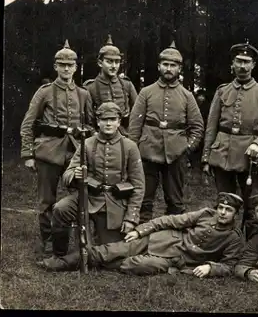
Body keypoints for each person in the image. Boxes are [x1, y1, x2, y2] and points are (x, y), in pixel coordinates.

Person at [37, 192, 245, 278]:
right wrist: (140, 230)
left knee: (136, 265)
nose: (223, 213)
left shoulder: (234, 238)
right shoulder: (205, 214)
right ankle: (63, 263)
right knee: (111, 250)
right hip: (161, 239)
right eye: (221, 208)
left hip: (174, 260)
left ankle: (96, 263)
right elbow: (169, 220)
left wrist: (211, 267)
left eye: (228, 210)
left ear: (235, 214)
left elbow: (230, 264)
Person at [19, 39, 93, 258]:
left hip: (75, 153)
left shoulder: (83, 94)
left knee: (79, 196)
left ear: (76, 67)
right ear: (56, 67)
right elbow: (28, 123)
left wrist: (82, 134)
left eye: (70, 65)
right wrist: (28, 154)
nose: (66, 69)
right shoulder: (44, 92)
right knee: (46, 200)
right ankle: (49, 241)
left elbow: (90, 124)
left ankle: (76, 239)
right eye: (62, 65)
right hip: (49, 152)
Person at [44, 102, 145, 260]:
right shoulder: (88, 143)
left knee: (108, 253)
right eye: (104, 119)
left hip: (115, 203)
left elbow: (139, 186)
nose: (108, 123)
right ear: (98, 122)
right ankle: (59, 254)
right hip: (88, 197)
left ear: (119, 122)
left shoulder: (130, 147)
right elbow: (68, 173)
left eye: (112, 119)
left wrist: (131, 218)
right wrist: (74, 174)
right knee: (60, 209)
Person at [201, 40, 258, 238]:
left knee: (253, 203)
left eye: (247, 62)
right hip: (222, 153)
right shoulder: (222, 91)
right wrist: (206, 156)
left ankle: (252, 247)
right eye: (239, 61)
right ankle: (224, 242)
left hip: (249, 157)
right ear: (232, 64)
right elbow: (211, 126)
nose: (242, 66)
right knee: (224, 203)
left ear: (253, 65)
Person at [128, 41, 204, 223]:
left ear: (179, 69)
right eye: (165, 65)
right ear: (159, 66)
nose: (169, 69)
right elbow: (134, 126)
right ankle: (142, 239)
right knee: (144, 200)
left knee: (175, 202)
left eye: (173, 65)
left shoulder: (187, 96)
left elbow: (198, 127)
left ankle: (171, 241)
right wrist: (135, 151)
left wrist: (186, 149)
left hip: (176, 155)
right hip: (147, 153)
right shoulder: (146, 93)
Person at [83, 34, 138, 136]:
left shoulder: (127, 85)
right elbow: (88, 120)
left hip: (125, 136)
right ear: (100, 63)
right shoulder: (90, 87)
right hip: (100, 136)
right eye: (109, 62)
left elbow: (137, 114)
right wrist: (94, 135)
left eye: (117, 62)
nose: (114, 66)